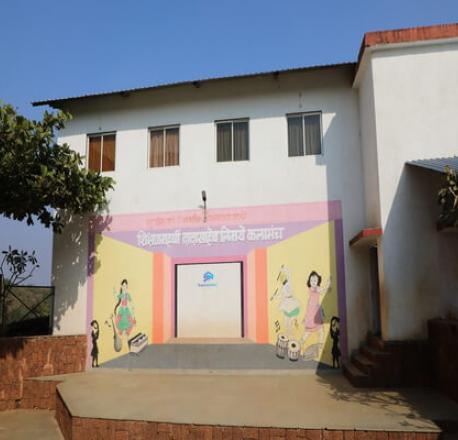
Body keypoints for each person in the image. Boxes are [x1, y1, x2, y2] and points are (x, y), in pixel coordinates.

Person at [301, 271, 331, 351]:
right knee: (311, 331)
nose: (313, 282)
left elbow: (322, 291)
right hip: (312, 313)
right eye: (311, 280)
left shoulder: (315, 289)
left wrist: (327, 286)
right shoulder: (313, 289)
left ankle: (319, 347)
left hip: (314, 312)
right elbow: (322, 290)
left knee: (318, 330)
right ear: (309, 281)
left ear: (318, 281)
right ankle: (301, 343)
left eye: (315, 280)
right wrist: (328, 283)